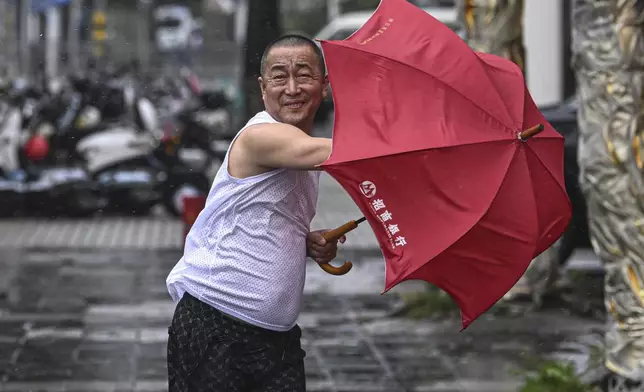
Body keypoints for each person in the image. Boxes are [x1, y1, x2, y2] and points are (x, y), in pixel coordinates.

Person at [165, 34, 345, 392]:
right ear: (264, 89)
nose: (292, 87)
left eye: (304, 75)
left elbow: (267, 214)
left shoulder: (300, 145)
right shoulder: (259, 136)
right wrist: (410, 142)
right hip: (215, 326)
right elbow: (330, 153)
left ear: (324, 87)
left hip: (277, 340)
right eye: (279, 77)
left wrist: (305, 242)